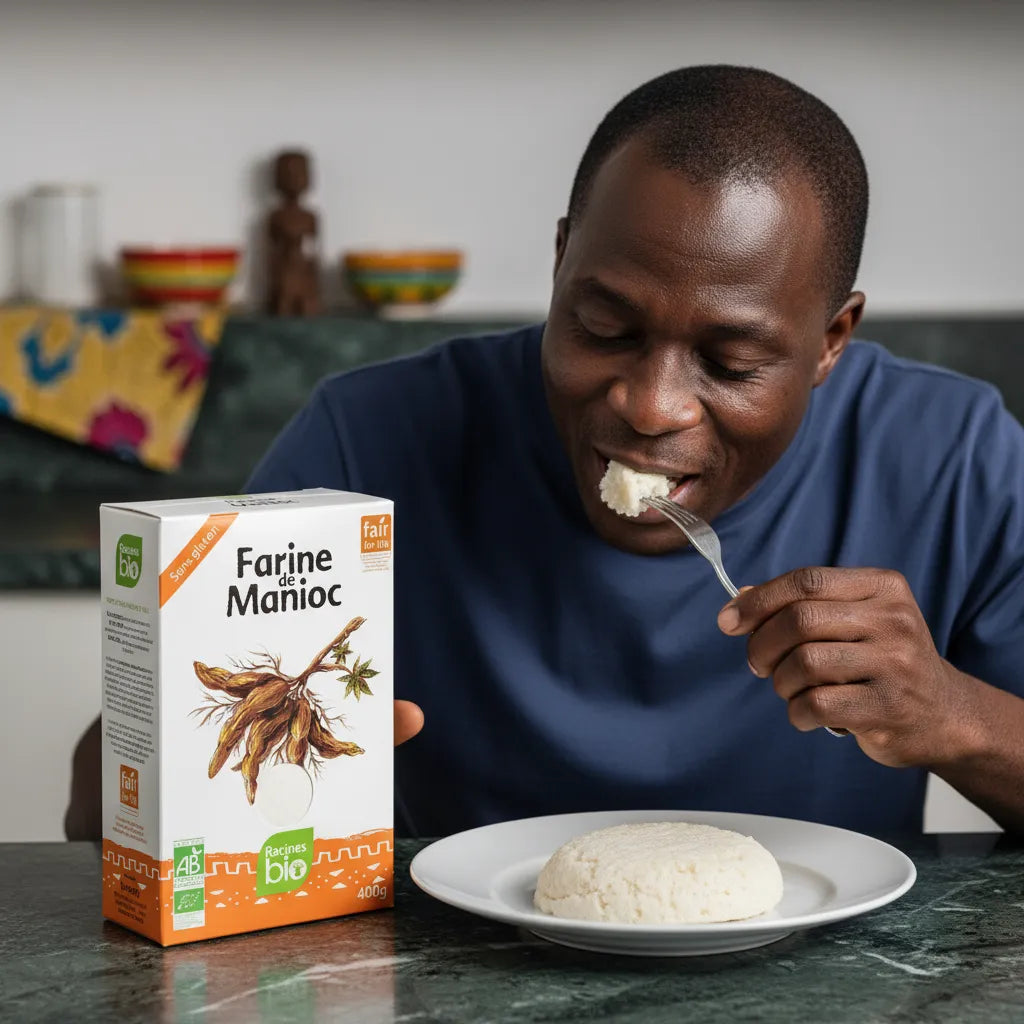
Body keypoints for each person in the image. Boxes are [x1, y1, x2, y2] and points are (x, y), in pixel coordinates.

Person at [68, 65, 1024, 841]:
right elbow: (105, 797)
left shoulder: (952, 458)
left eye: (731, 360)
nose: (650, 406)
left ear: (830, 339)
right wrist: (196, 763)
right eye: (604, 328)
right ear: (562, 259)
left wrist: (959, 715)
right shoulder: (369, 441)